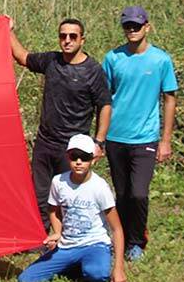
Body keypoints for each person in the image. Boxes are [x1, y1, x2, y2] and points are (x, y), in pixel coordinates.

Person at [9, 17, 113, 229]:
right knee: (40, 192)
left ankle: (73, 237)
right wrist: (7, 30)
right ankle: (41, 236)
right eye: (63, 36)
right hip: (45, 141)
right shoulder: (51, 61)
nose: (67, 40)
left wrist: (99, 142)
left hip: (73, 146)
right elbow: (22, 57)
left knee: (68, 195)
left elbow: (105, 105)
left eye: (72, 36)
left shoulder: (93, 71)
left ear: (82, 40)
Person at [102, 5, 178, 262]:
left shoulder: (161, 60)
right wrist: (100, 136)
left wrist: (165, 141)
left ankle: (137, 240)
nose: (132, 30)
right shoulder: (113, 58)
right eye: (128, 26)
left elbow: (169, 98)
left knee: (138, 193)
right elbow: (104, 98)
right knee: (121, 193)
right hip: (115, 137)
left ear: (147, 26)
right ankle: (121, 239)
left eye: (137, 25)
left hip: (145, 138)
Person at [17, 134, 126, 282]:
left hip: (94, 243)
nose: (79, 162)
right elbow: (53, 209)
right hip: (67, 245)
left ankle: (85, 263)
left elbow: (117, 229)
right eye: (74, 156)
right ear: (67, 157)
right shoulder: (58, 182)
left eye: (84, 157)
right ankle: (72, 265)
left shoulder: (100, 187)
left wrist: (118, 268)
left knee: (97, 275)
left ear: (93, 159)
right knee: (26, 280)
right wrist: (57, 232)